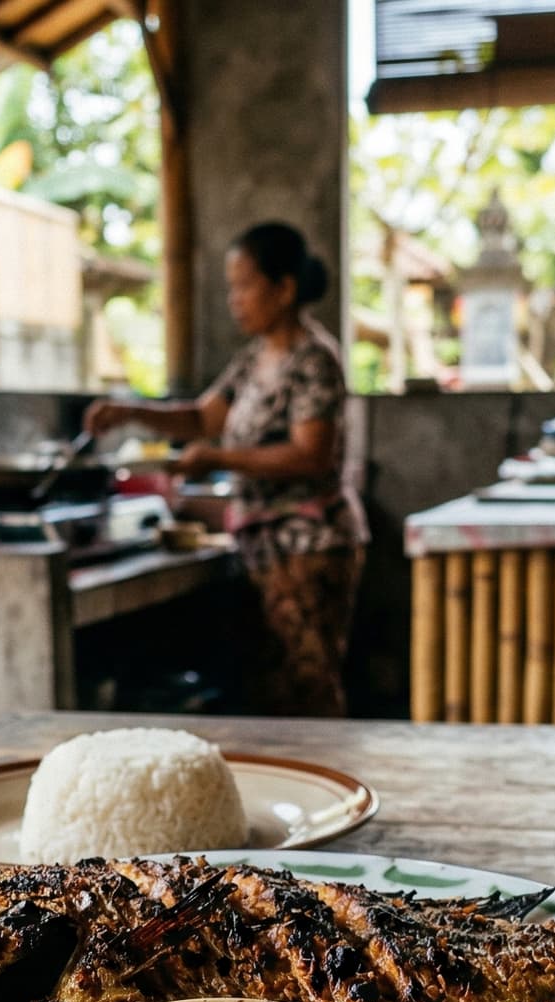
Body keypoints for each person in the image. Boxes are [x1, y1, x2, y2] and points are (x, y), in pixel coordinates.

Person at [84, 222, 365, 717]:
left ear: (284, 289)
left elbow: (310, 454)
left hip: (309, 544)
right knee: (269, 691)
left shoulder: (313, 359)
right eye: (231, 286)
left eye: (244, 285)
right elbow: (202, 418)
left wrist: (216, 458)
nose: (234, 299)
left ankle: (335, 790)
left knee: (308, 686)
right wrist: (129, 410)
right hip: (261, 545)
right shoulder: (253, 359)